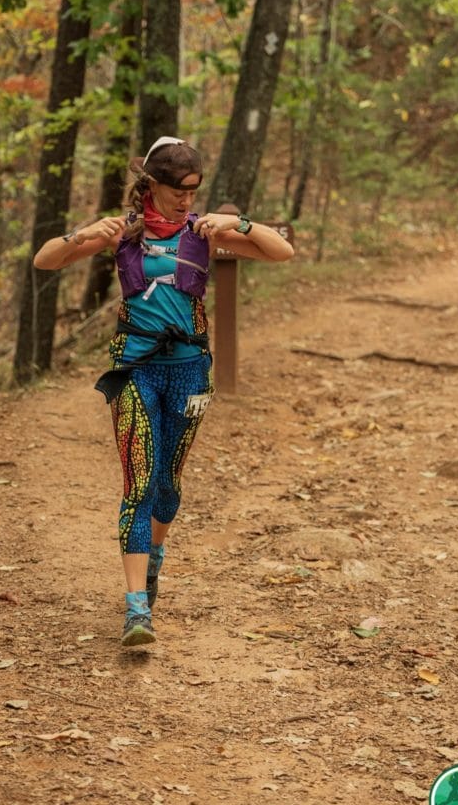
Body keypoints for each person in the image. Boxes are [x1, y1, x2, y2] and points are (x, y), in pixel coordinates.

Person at [34, 136, 294, 648]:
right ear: (151, 184)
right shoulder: (124, 234)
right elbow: (45, 260)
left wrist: (237, 224)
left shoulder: (203, 233)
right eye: (178, 190)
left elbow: (281, 251)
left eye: (194, 190)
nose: (186, 200)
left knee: (168, 485)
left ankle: (153, 562)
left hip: (191, 371)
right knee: (139, 481)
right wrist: (84, 232)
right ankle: (135, 611)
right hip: (134, 369)